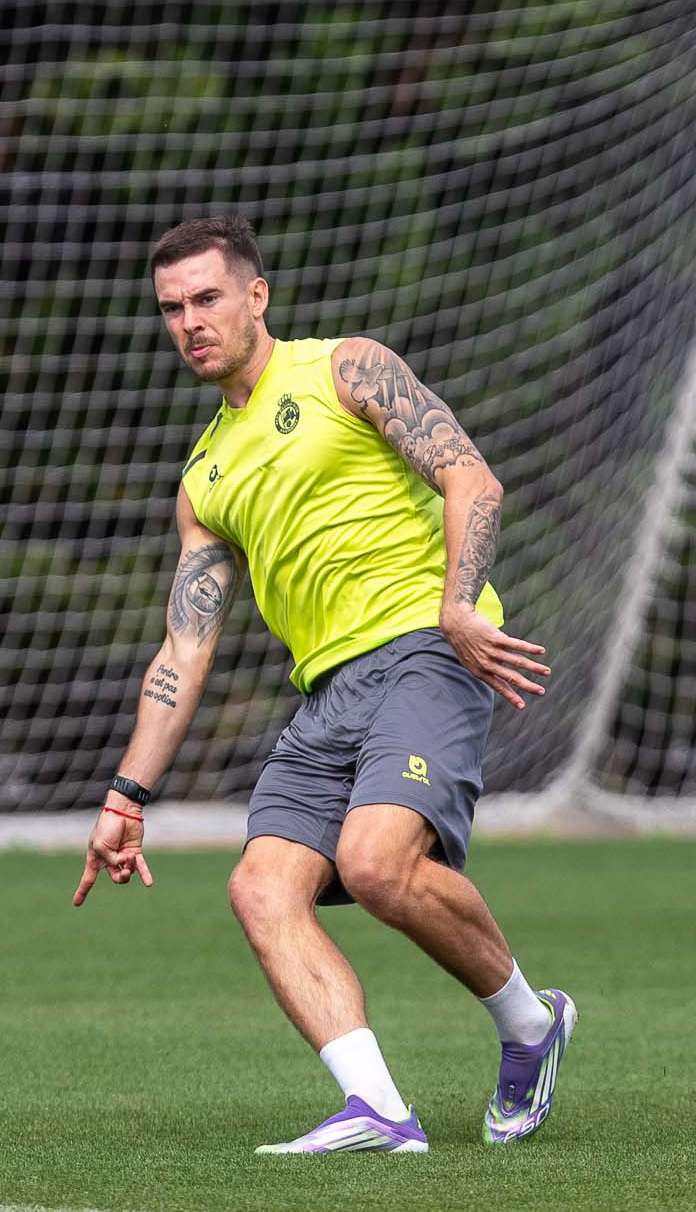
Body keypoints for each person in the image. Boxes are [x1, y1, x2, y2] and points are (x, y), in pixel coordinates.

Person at [71, 216, 574, 1153]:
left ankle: (530, 1025)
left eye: (207, 299)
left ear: (256, 296)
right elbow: (183, 649)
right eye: (172, 309)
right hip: (330, 695)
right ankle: (379, 1110)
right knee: (261, 890)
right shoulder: (203, 480)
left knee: (379, 866)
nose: (190, 322)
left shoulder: (347, 368)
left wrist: (462, 607)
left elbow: (474, 482)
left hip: (430, 649)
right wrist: (127, 794)